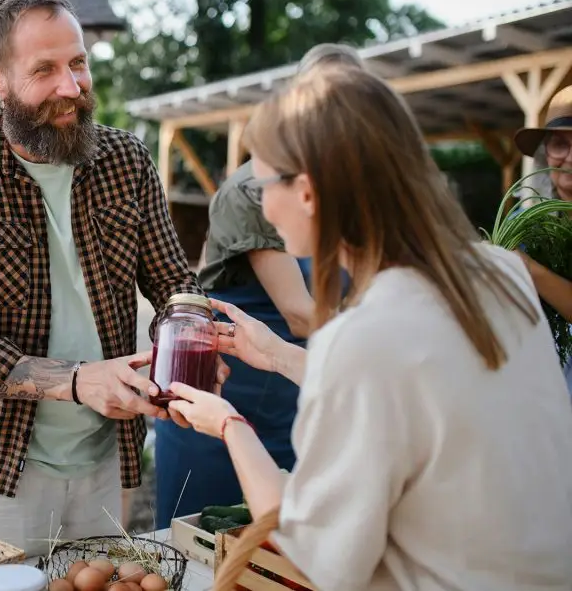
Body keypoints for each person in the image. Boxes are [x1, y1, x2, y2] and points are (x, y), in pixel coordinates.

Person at [167, 65, 572, 590]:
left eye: (262, 183)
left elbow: (313, 558)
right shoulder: (501, 272)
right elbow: (414, 400)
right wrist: (277, 355)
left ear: (308, 192)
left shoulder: (365, 333)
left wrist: (227, 423)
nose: (261, 202)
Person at [0, 0, 211, 557]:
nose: (71, 87)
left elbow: (174, 283)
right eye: (44, 69)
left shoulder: (126, 159)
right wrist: (76, 381)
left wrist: (190, 348)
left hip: (106, 456)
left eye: (77, 63)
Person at [154, 42, 363, 527]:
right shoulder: (260, 187)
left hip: (299, 392)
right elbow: (299, 312)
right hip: (223, 397)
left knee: (277, 552)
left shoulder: (347, 192)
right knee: (203, 546)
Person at [511, 84, 572, 394]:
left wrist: (528, 269)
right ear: (545, 151)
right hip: (537, 391)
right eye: (560, 144)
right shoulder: (521, 221)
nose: (570, 157)